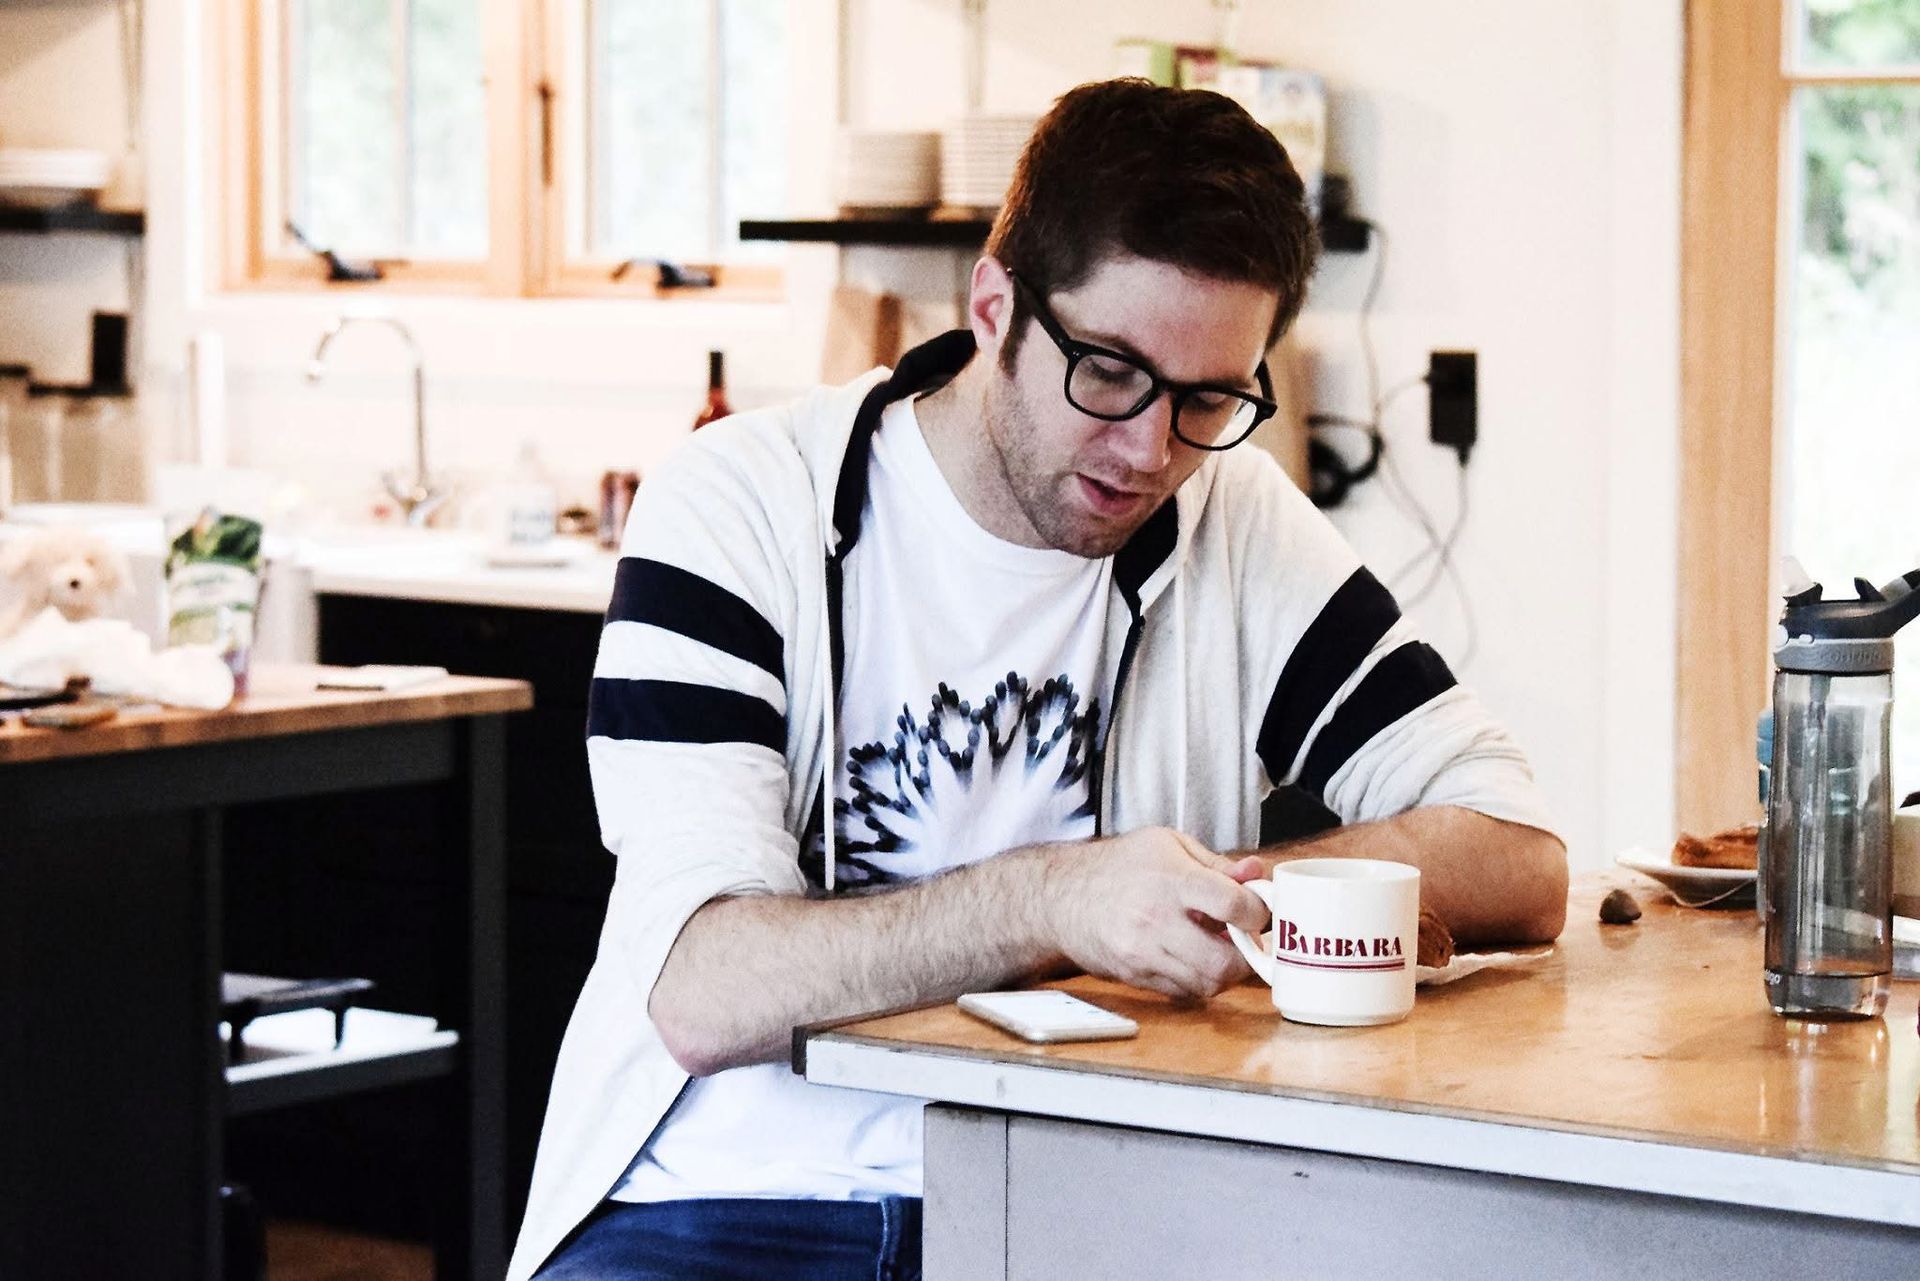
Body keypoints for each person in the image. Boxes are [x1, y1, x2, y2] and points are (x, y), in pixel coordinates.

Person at [511, 77, 1567, 1281]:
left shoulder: (1236, 521)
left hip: (1079, 1198)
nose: (1151, 450)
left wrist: (1220, 894)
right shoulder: (738, 502)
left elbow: (1519, 851)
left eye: (1211, 397)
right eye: (1110, 372)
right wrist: (1051, 901)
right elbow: (704, 994)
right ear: (994, 307)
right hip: (723, 1197)